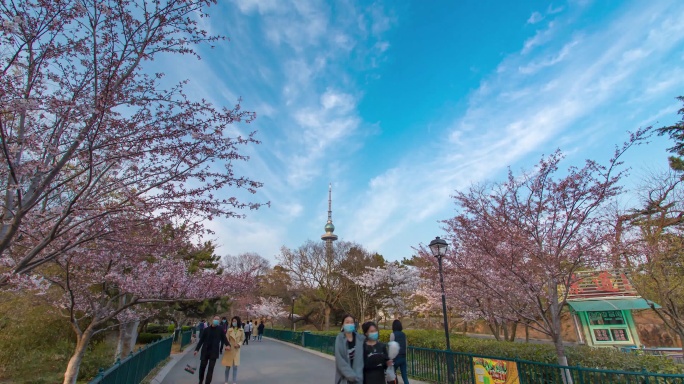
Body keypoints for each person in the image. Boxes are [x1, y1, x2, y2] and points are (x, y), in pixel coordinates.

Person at [194, 316, 229, 384]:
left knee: (211, 369)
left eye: (218, 320)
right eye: (215, 319)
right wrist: (197, 349)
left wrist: (228, 345)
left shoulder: (220, 329)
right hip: (205, 351)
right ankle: (200, 381)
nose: (216, 320)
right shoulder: (206, 330)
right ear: (212, 320)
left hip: (214, 351)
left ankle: (207, 382)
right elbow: (201, 340)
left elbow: (224, 338)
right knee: (202, 367)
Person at [335, 314, 364, 384]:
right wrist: (351, 376)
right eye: (347, 322)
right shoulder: (339, 339)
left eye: (351, 322)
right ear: (343, 325)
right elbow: (340, 361)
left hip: (359, 379)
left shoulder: (360, 339)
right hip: (345, 379)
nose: (349, 324)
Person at [222, 316, 245, 384]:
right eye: (233, 321)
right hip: (229, 349)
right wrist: (227, 345)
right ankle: (226, 381)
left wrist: (238, 344)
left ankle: (234, 381)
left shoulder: (241, 330)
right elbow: (226, 339)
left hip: (236, 350)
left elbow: (242, 340)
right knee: (227, 367)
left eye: (235, 321)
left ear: (238, 321)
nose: (234, 322)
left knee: (235, 367)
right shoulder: (229, 330)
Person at [390, 320, 409, 384]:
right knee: (404, 376)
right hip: (403, 357)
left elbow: (391, 347)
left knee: (392, 374)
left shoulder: (393, 334)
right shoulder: (404, 334)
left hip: (396, 358)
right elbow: (406, 345)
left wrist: (390, 359)